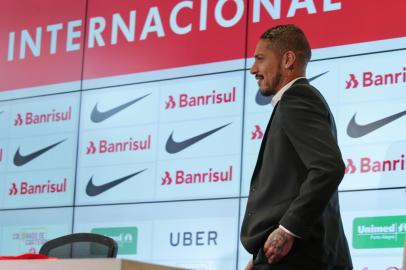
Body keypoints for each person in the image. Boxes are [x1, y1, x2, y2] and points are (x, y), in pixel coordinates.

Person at [240, 24, 353, 270]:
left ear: (288, 59)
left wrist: (286, 231)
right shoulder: (295, 101)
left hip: (299, 259)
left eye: (260, 59)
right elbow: (294, 184)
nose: (253, 69)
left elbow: (328, 167)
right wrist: (259, 254)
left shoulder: (297, 98)